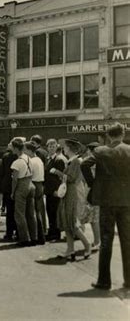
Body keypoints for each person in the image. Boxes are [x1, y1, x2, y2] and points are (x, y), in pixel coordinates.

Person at [81, 123, 130, 290]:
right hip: (126, 200)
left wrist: (93, 185)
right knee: (127, 240)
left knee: (106, 240)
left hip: (107, 201)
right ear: (122, 134)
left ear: (109, 136)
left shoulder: (101, 151)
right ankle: (129, 280)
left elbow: (84, 165)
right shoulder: (129, 150)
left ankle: (104, 280)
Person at [51, 138, 91, 261]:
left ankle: (87, 245)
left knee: (72, 222)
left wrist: (57, 172)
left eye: (66, 147)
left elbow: (71, 178)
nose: (64, 149)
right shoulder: (72, 161)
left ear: (70, 148)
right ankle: (70, 249)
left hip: (72, 193)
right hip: (69, 192)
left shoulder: (76, 162)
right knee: (67, 222)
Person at [10, 137, 37, 247]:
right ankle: (34, 236)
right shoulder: (29, 158)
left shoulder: (17, 162)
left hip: (22, 186)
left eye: (12, 147)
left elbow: (15, 180)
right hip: (31, 184)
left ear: (16, 148)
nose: (12, 149)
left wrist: (12, 192)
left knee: (19, 214)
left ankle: (24, 238)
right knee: (31, 213)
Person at [44, 138, 67, 241]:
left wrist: (58, 190)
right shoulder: (48, 159)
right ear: (47, 147)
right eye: (50, 146)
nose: (52, 148)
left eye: (53, 146)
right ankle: (51, 231)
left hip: (55, 190)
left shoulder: (59, 160)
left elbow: (62, 176)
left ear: (56, 147)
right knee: (49, 211)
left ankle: (55, 233)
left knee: (54, 212)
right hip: (49, 190)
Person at [79, 142, 101, 251]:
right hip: (99, 190)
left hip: (92, 190)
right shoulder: (102, 160)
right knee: (95, 217)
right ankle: (97, 240)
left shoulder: (91, 160)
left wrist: (91, 183)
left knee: (94, 218)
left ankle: (97, 241)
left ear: (90, 150)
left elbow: (84, 174)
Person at [24, 141, 46, 245]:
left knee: (32, 212)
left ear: (29, 150)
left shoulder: (31, 161)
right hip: (40, 184)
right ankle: (41, 236)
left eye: (25, 149)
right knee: (38, 211)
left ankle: (35, 236)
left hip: (34, 184)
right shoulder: (39, 160)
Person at [1, 143, 18, 241]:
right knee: (17, 210)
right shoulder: (18, 157)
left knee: (9, 211)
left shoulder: (5, 157)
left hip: (7, 186)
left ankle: (9, 232)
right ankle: (17, 231)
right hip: (16, 185)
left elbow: (3, 171)